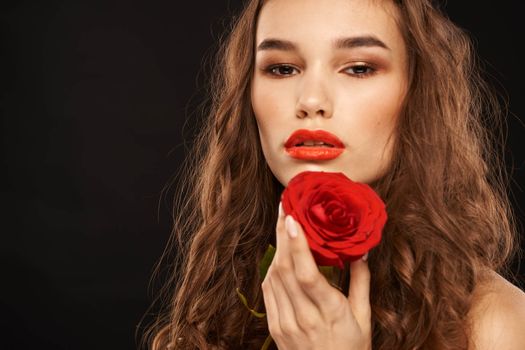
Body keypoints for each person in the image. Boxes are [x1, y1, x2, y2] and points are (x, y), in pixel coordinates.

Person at [144, 0, 525, 348]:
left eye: (358, 68)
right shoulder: (221, 302)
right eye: (282, 68)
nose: (311, 100)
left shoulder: (494, 324)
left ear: (416, 93)